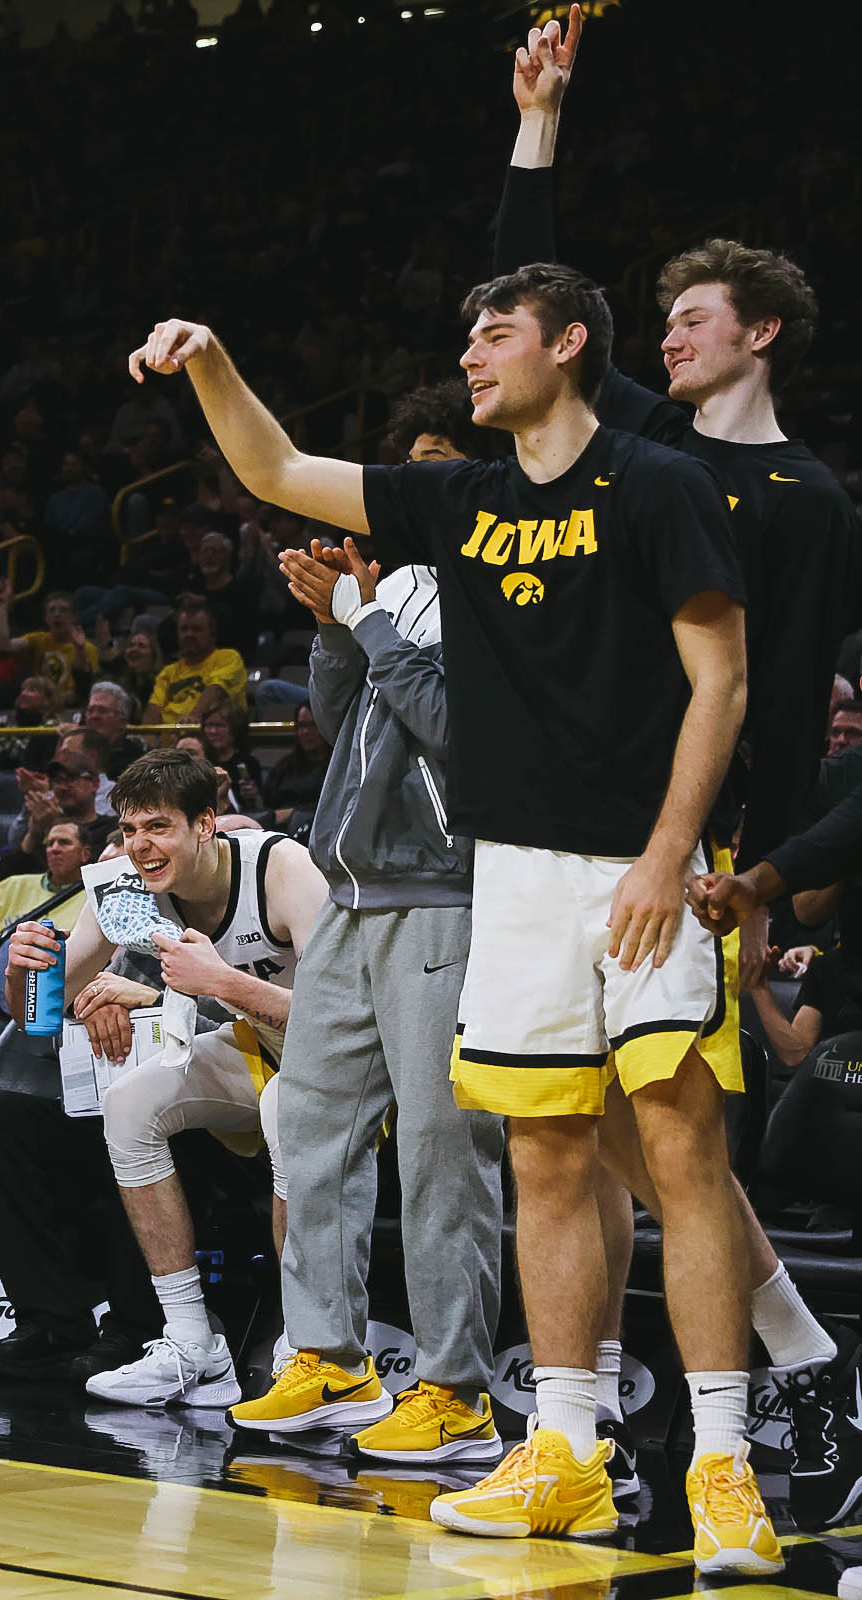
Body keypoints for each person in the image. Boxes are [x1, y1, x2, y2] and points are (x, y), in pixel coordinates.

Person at [127, 257, 775, 1565]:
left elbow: (724, 681)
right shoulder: (460, 500)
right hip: (516, 876)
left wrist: (667, 852)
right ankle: (566, 1456)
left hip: (632, 862)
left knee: (679, 1156)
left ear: (571, 349)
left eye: (497, 335)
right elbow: (275, 470)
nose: (471, 354)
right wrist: (208, 361)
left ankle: (723, 1464)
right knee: (542, 1162)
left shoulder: (659, 482)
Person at [501, 10, 860, 1531]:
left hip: (701, 849)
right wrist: (539, 125)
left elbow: (777, 700)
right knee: (615, 1143)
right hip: (589, 838)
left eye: (697, 319)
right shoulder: (645, 453)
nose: (670, 338)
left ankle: (759, 1402)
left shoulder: (808, 495)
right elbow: (534, 293)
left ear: (762, 331)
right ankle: (810, 1364)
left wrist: (767, 876)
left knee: (669, 1139)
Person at [226, 511, 508, 1464]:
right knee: (308, 1125)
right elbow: (343, 717)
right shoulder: (401, 587)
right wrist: (337, 627)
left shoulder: (501, 597)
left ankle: (456, 1392)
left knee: (440, 1145)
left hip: (443, 890)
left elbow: (458, 733)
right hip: (350, 889)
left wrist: (375, 622)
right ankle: (331, 1358)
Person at [7, 750, 324, 1408]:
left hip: (346, 1062)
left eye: (157, 827)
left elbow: (346, 1016)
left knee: (281, 1108)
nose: (140, 847)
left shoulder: (282, 868)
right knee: (131, 1103)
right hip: (259, 1046)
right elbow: (38, 1017)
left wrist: (223, 983)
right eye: (128, 830)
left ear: (206, 825)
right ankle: (192, 1343)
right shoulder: (125, 886)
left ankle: (306, 1347)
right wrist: (25, 971)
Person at [0, 819, 90, 955]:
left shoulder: (92, 898)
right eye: (49, 843)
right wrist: (12, 949)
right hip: (1, 969)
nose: (54, 849)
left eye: (64, 842)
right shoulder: (10, 886)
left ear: (85, 854)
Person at [144, 599, 248, 726]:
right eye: (184, 629)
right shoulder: (168, 672)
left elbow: (217, 690)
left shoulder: (228, 658)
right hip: (169, 740)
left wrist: (191, 721)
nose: (189, 634)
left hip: (210, 735)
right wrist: (147, 740)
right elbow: (154, 709)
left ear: (212, 635)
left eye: (197, 629)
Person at [13, 591, 98, 709]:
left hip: (71, 709)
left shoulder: (88, 649)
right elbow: (4, 646)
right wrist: (2, 606)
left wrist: (46, 700)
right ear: (45, 617)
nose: (57, 614)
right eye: (52, 610)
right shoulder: (37, 640)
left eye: (63, 610)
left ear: (74, 616)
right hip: (38, 707)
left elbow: (83, 693)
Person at [80, 682, 147, 779]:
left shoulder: (135, 762)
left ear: (122, 722)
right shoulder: (76, 749)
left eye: (102, 711)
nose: (94, 716)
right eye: (90, 710)